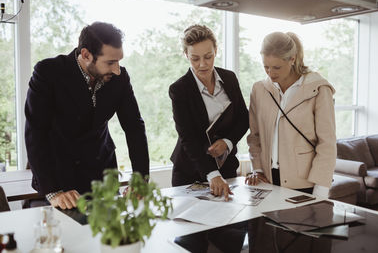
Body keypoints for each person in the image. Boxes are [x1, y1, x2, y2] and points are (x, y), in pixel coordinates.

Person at [25, 22, 149, 209]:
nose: (117, 69)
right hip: (60, 180)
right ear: (86, 55)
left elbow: (134, 127)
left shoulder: (120, 78)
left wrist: (140, 179)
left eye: (119, 61)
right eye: (110, 62)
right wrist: (53, 191)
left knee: (109, 236)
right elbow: (36, 133)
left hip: (103, 174)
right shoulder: (48, 73)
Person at [170, 24, 248, 253]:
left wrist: (228, 142)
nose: (202, 64)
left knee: (230, 239)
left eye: (208, 56)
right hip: (189, 172)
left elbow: (243, 119)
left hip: (227, 170)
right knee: (192, 244)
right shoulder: (179, 89)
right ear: (186, 55)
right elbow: (188, 137)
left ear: (216, 51)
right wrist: (211, 174)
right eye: (195, 58)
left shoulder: (230, 78)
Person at [246, 31, 336, 197]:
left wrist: (321, 190)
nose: (270, 73)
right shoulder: (259, 89)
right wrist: (257, 169)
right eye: (266, 66)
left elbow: (327, 143)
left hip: (305, 182)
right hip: (267, 180)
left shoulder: (319, 89)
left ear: (292, 59)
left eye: (277, 67)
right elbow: (254, 136)